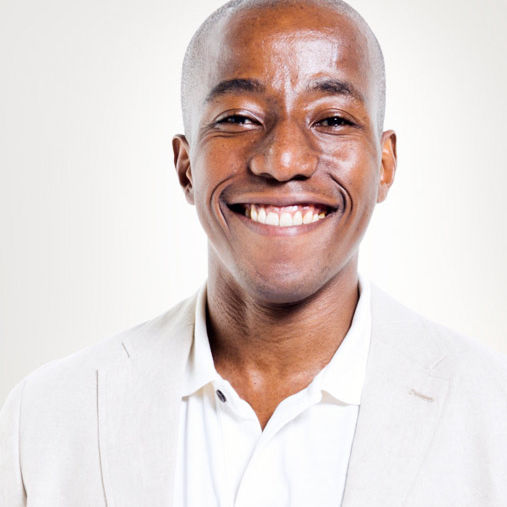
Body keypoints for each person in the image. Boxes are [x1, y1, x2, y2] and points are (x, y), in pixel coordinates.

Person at [1, 0, 506, 505]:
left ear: (385, 164)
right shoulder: (44, 418)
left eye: (332, 119)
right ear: (186, 167)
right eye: (240, 118)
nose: (283, 160)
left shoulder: (491, 412)